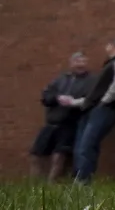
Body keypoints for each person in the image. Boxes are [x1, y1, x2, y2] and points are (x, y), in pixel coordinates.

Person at [67, 36, 115, 182]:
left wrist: (104, 101)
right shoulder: (111, 62)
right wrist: (75, 102)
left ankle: (83, 181)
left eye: (109, 44)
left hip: (106, 109)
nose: (107, 47)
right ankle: (80, 178)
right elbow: (96, 93)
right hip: (94, 108)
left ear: (114, 46)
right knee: (82, 146)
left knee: (87, 145)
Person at [29, 52, 92, 181]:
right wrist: (57, 98)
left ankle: (50, 186)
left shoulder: (90, 81)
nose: (80, 64)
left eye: (83, 61)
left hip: (69, 124)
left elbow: (90, 100)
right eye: (77, 61)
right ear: (71, 63)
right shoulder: (61, 79)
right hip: (51, 122)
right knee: (35, 155)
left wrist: (74, 102)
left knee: (59, 157)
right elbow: (46, 96)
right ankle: (34, 187)